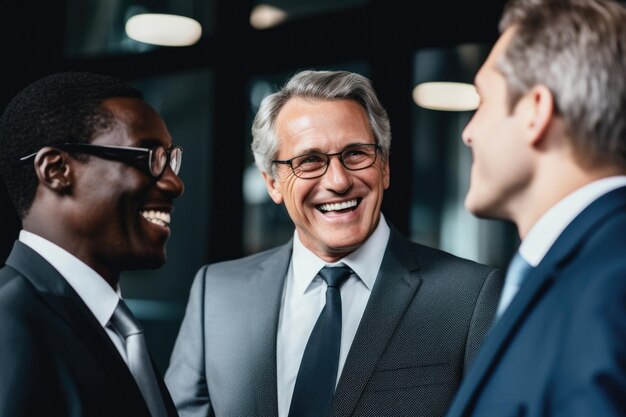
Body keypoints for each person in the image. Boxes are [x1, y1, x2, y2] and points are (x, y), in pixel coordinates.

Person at [165, 70, 503, 417]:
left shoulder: (471, 297)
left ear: (384, 166)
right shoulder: (216, 293)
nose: (339, 181)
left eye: (355, 153)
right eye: (309, 160)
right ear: (273, 183)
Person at [445, 0, 626, 416]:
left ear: (535, 111)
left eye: (482, 99)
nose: (469, 133)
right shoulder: (582, 269)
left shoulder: (609, 288)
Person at [0, 71, 184, 417]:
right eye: (149, 157)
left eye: (171, 159)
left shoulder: (108, 322)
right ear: (56, 170)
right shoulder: (9, 322)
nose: (175, 184)